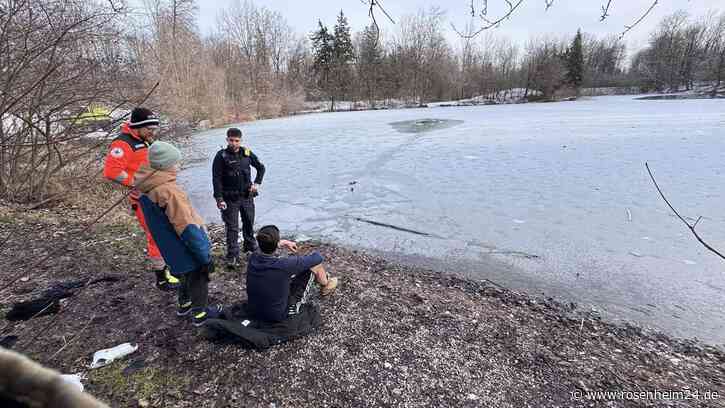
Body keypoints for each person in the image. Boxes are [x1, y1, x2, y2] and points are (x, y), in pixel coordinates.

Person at [135, 141, 223, 326]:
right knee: (198, 277)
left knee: (184, 275)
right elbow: (187, 227)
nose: (179, 165)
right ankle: (201, 314)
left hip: (169, 249)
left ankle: (184, 304)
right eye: (176, 162)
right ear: (164, 165)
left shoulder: (146, 187)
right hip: (185, 247)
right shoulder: (169, 192)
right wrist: (204, 257)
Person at [103, 107, 179, 291]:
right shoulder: (123, 144)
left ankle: (170, 267)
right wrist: (134, 184)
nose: (153, 133)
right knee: (155, 236)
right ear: (137, 126)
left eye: (154, 129)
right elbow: (112, 171)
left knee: (166, 231)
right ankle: (162, 278)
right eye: (149, 129)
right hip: (143, 199)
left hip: (155, 195)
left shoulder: (143, 139)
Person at [246, 225, 338, 323]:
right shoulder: (284, 265)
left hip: (254, 310)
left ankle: (323, 280)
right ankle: (326, 284)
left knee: (283, 276)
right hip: (278, 314)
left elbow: (262, 248)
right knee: (316, 265)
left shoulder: (253, 257)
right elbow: (317, 258)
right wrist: (299, 258)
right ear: (276, 243)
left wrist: (284, 242)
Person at [212, 128, 265, 266]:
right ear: (227, 140)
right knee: (232, 227)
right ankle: (232, 255)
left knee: (249, 222)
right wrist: (219, 199)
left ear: (241, 141)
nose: (234, 143)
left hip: (247, 196)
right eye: (231, 140)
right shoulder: (221, 156)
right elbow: (216, 179)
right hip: (229, 198)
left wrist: (257, 183)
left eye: (237, 141)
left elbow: (261, 168)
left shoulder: (246, 153)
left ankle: (250, 246)